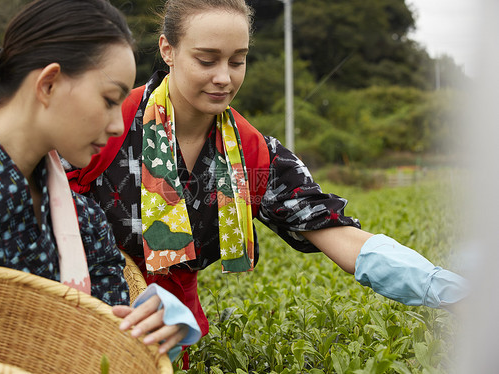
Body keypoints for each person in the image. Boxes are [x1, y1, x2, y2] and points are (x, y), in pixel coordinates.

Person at [67, 0, 468, 365]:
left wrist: (447, 290)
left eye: (237, 61)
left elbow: (334, 231)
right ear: (167, 50)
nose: (223, 78)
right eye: (207, 60)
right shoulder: (111, 122)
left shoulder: (252, 153)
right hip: (74, 304)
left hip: (167, 325)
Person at [0, 0, 201, 360]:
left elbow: (108, 347)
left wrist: (156, 322)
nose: (117, 125)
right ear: (48, 84)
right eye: (110, 100)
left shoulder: (85, 223)